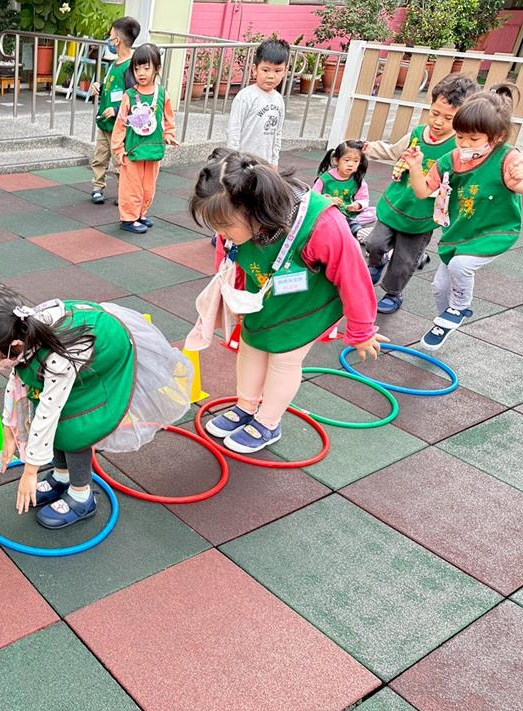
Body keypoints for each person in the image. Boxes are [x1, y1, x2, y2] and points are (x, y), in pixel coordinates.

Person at [189, 151, 385, 454]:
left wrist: (361, 331)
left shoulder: (321, 223)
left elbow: (353, 275)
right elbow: (229, 257)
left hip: (306, 304)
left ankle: (268, 422)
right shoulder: (237, 224)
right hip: (266, 294)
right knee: (251, 346)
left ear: (256, 209)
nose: (220, 234)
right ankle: (246, 406)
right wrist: (234, 295)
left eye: (225, 226)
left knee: (284, 358)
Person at [0, 286, 191, 529]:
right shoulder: (22, 331)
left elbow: (48, 413)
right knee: (46, 410)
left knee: (73, 428)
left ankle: (81, 496)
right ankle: (62, 476)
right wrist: (9, 427)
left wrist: (30, 470)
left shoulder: (58, 356)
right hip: (75, 352)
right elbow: (18, 380)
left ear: (14, 345)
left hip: (107, 353)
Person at [404, 85, 523, 351]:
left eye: (473, 138)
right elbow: (423, 191)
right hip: (459, 233)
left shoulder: (507, 157)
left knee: (460, 266)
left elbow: (519, 181)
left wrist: (518, 181)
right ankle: (445, 320)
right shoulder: (451, 160)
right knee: (439, 286)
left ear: (497, 136)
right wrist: (414, 167)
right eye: (460, 136)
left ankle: (459, 308)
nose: (465, 144)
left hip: (495, 231)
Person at [363, 75, 480, 314]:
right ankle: (376, 262)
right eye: (435, 113)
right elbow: (393, 151)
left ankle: (393, 292)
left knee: (405, 259)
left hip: (422, 215)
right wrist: (369, 147)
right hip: (396, 203)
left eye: (448, 118)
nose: (438, 122)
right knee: (374, 243)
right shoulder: (417, 134)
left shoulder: (459, 148)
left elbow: (467, 178)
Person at [111, 43, 179, 234]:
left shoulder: (162, 93)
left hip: (153, 150)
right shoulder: (130, 95)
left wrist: (169, 135)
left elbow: (168, 118)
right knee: (131, 187)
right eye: (137, 68)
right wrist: (118, 149)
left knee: (148, 187)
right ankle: (128, 218)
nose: (141, 73)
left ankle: (140, 213)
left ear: (157, 69)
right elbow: (120, 124)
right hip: (133, 151)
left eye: (146, 68)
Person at [89, 16, 139, 205]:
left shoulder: (131, 67)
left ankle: (123, 192)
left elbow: (134, 98)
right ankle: (97, 187)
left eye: (110, 36)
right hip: (104, 121)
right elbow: (112, 88)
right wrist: (99, 87)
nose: (108, 40)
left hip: (119, 125)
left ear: (117, 40)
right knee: (99, 157)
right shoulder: (114, 64)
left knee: (120, 161)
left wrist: (117, 110)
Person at [226, 39, 290, 168]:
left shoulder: (279, 99)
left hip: (265, 165)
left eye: (277, 71)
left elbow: (277, 133)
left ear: (285, 71)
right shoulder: (246, 96)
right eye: (265, 70)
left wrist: (274, 161)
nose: (271, 76)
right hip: (243, 163)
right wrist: (234, 162)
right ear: (255, 69)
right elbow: (233, 131)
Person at [313, 140, 376, 239]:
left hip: (348, 213)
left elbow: (364, 199)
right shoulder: (325, 178)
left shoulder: (358, 180)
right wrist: (328, 200)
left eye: (356, 161)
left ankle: (348, 223)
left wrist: (357, 205)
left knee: (376, 212)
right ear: (336, 160)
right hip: (329, 212)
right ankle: (351, 226)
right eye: (347, 160)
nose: (351, 164)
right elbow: (313, 197)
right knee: (317, 215)